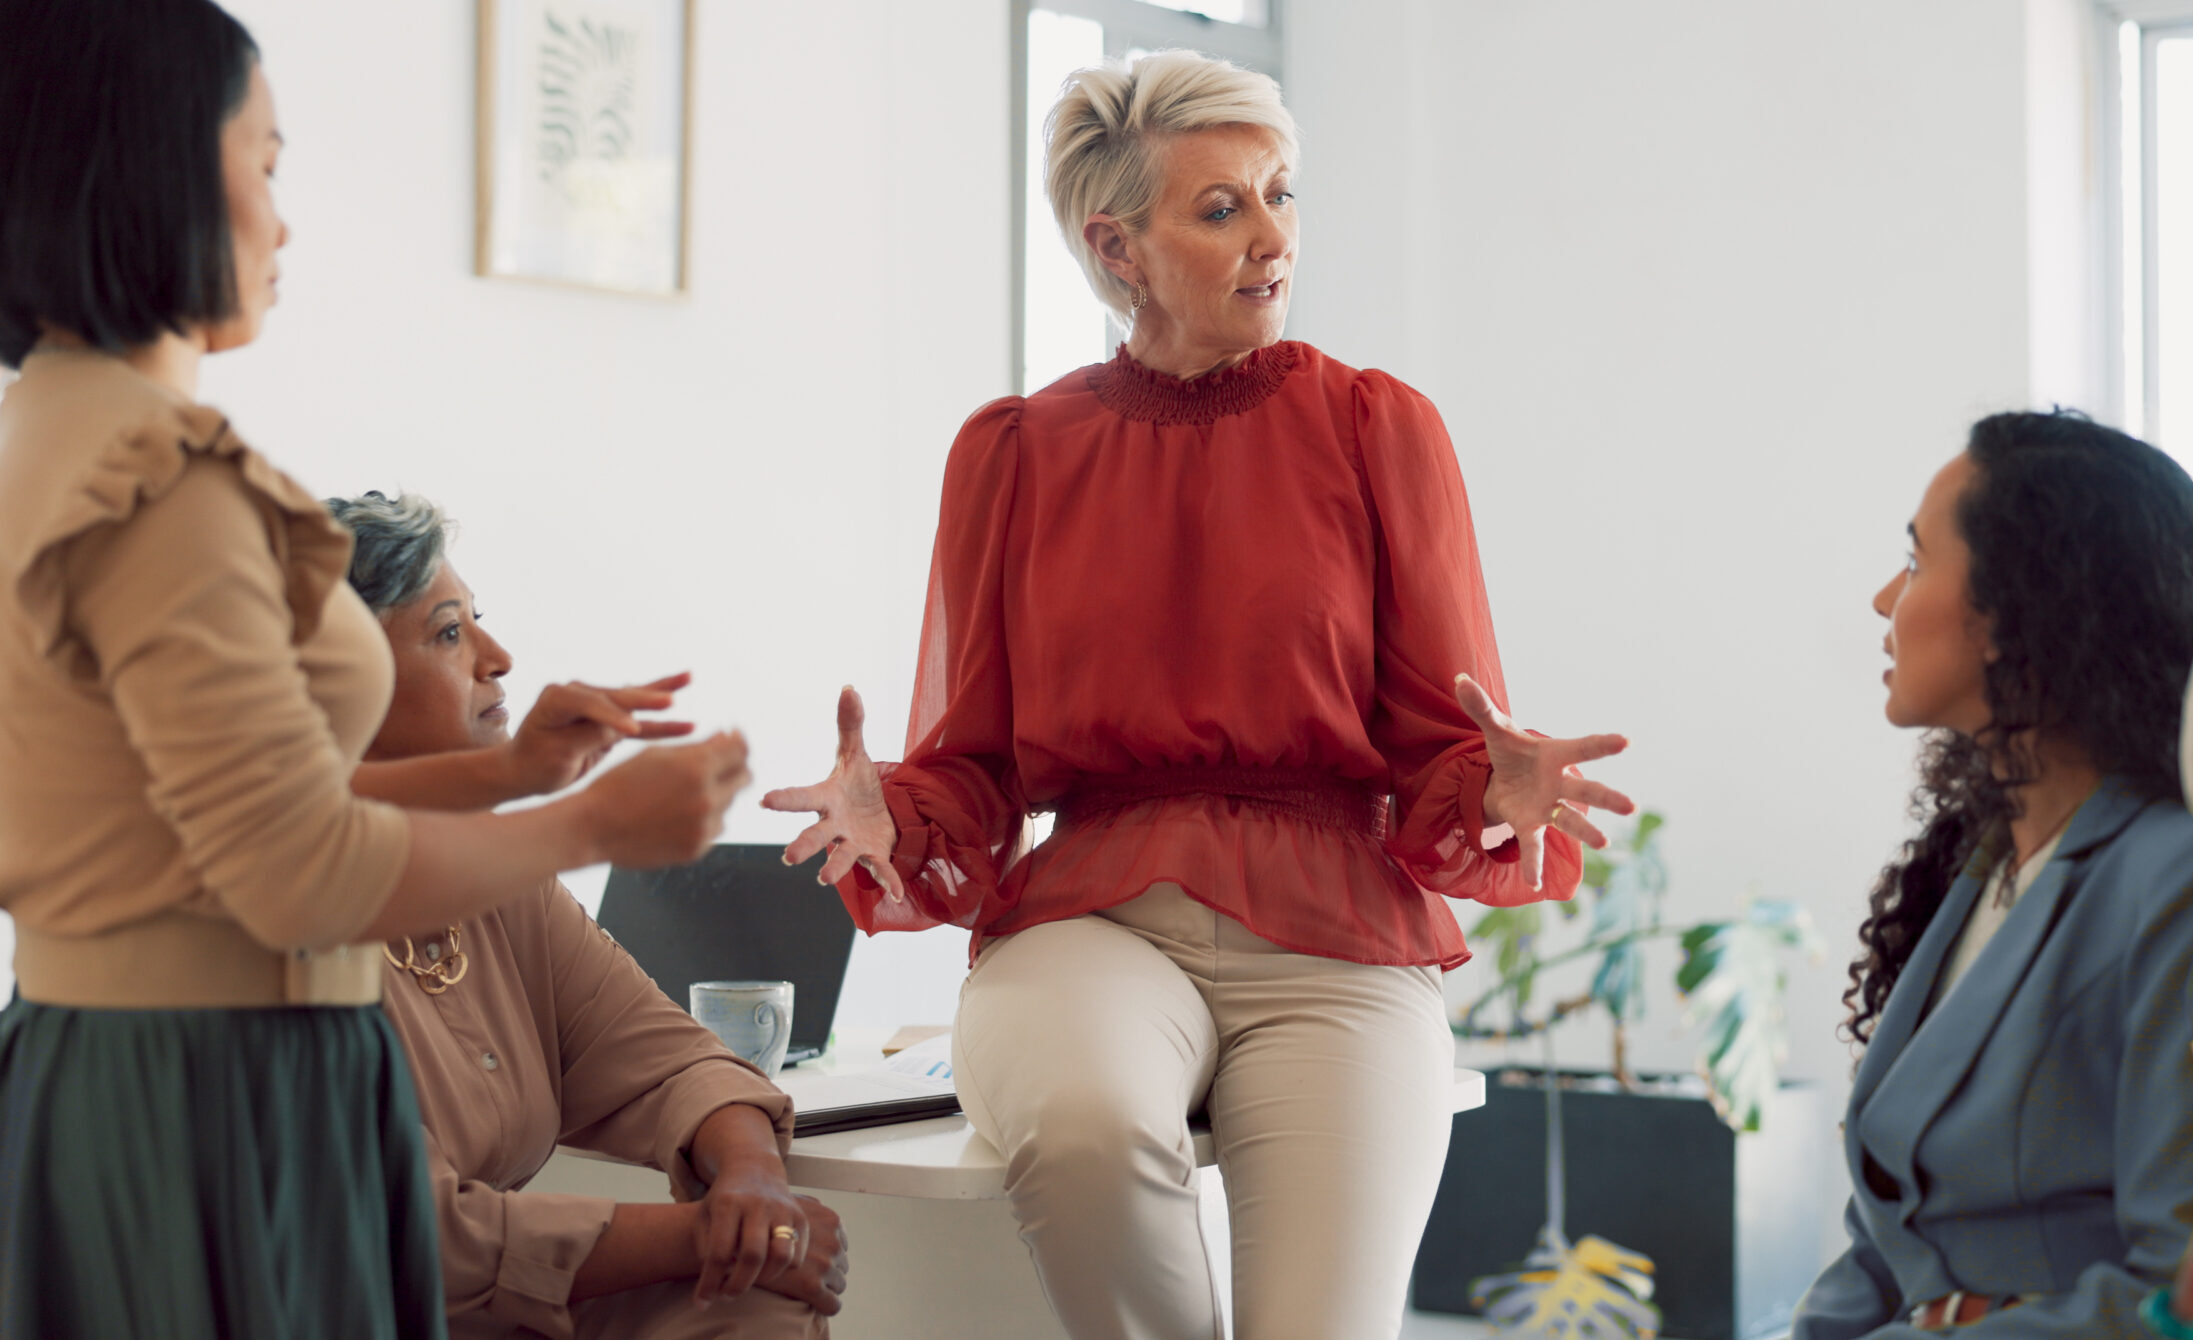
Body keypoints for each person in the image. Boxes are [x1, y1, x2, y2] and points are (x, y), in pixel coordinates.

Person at [763, 50, 1633, 1340]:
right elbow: (976, 765)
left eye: (1281, 194)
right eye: (1223, 208)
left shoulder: (1376, 427)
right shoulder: (1015, 453)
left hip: (1336, 938)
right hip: (1093, 922)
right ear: (1116, 247)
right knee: (1083, 1128)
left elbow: (1443, 740)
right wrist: (896, 809)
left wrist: (1496, 786)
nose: (1273, 236)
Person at [0, 4, 750, 1335]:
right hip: (221, 1090)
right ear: (160, 166)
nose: (283, 223)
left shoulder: (45, 442)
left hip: (113, 1062)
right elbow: (299, 872)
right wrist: (594, 822)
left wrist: (509, 774)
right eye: (266, 162)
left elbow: (207, 820)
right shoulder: (162, 482)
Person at [326, 489, 847, 1340]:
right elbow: (420, 1239)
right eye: (449, 633)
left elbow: (671, 1060)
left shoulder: (505, 885)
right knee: (752, 1269)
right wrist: (715, 1234)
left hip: (485, 1312)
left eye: (478, 621)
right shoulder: (269, 926)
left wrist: (753, 1184)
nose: (499, 659)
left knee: (756, 1295)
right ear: (338, 687)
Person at [1791, 411, 2193, 1338]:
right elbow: (1884, 1244)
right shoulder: (1976, 871)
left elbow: (2168, 1298)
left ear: (2017, 610)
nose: (1883, 599)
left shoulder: (2166, 882)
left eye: (1915, 561)